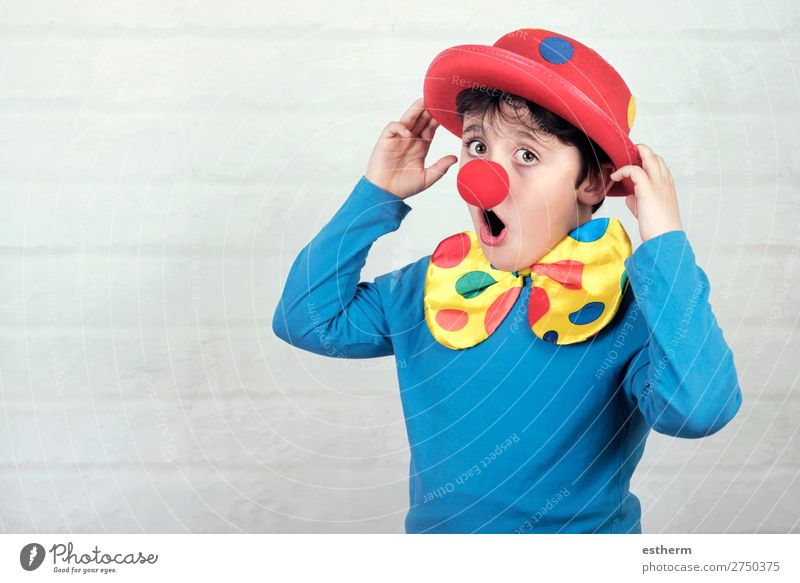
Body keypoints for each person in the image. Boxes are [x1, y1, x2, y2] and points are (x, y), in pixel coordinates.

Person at [272, 28, 742, 533]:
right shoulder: (428, 288)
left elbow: (700, 410)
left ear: (592, 182)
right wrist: (376, 195)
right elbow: (306, 319)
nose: (486, 177)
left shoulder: (632, 307)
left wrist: (664, 243)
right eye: (477, 145)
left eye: (527, 155)